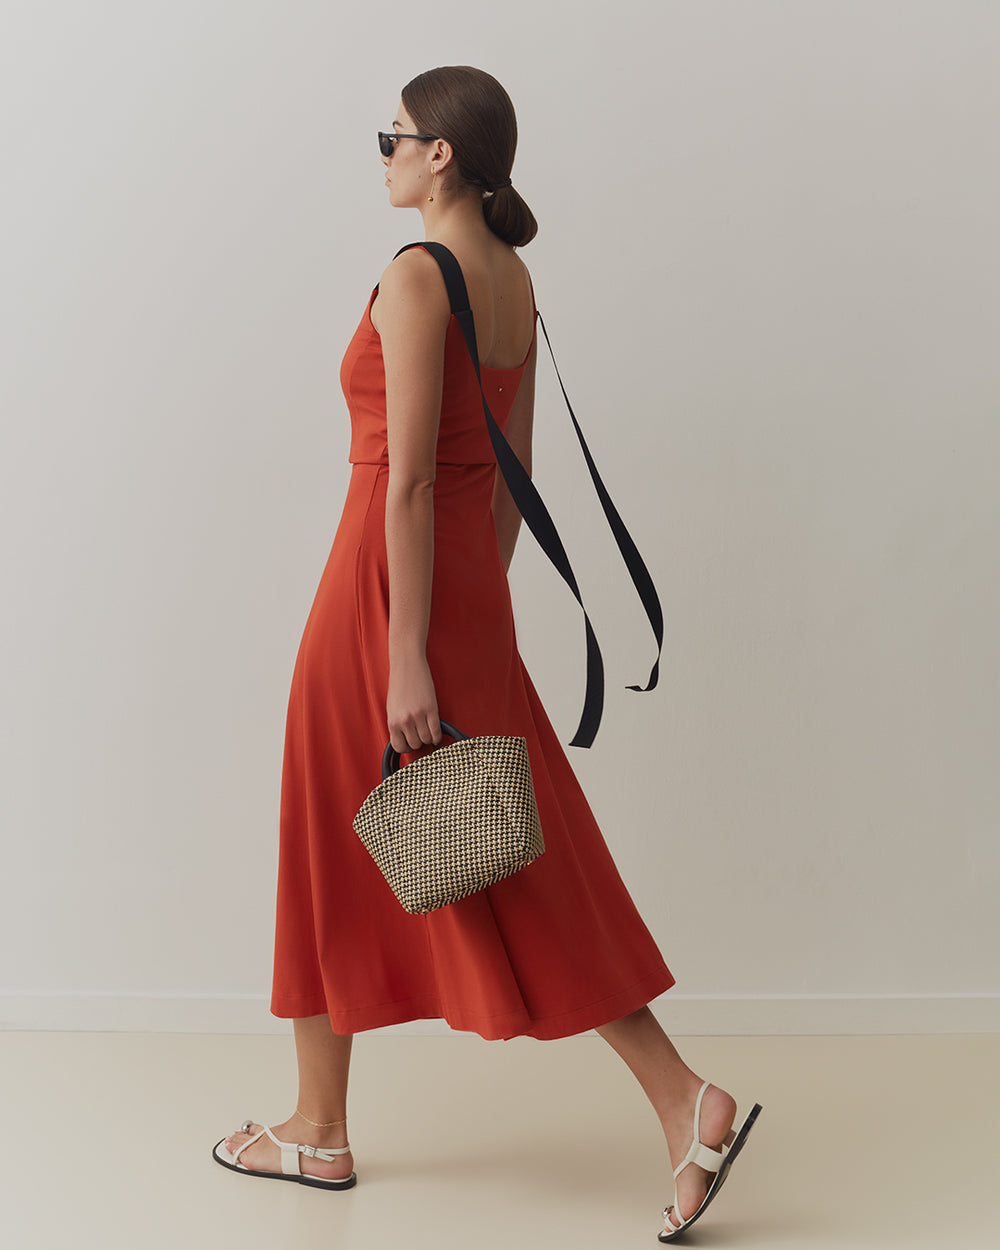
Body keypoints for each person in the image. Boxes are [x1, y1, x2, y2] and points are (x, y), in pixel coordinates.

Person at [211, 65, 759, 1241]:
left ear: (442, 155)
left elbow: (407, 479)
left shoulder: (418, 275)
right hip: (460, 600)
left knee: (357, 839)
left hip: (379, 601)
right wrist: (467, 619)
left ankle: (323, 1130)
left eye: (393, 137)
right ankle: (336, 1121)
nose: (386, 156)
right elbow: (511, 481)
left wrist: (409, 653)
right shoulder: (509, 278)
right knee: (514, 854)